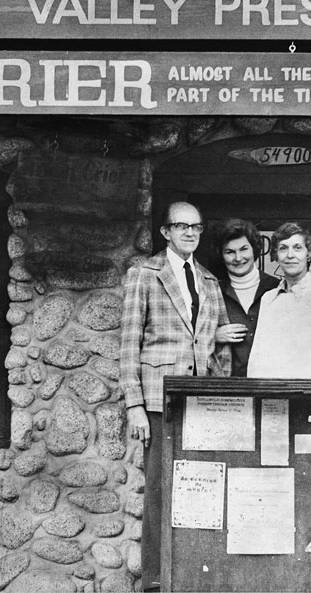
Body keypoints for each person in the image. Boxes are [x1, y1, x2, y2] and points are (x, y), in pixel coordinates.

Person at [119, 201, 230, 591]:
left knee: (202, 485)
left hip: (201, 399)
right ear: (165, 232)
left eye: (196, 227)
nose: (189, 234)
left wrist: (220, 392)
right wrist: (134, 405)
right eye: (181, 227)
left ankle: (193, 577)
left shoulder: (208, 281)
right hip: (157, 400)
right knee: (159, 492)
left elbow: (217, 346)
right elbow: (129, 343)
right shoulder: (144, 274)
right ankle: (154, 582)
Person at [247, 222, 311, 378]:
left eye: (297, 248)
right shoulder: (268, 299)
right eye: (283, 248)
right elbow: (258, 354)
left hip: (307, 394)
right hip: (269, 394)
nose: (290, 255)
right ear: (276, 255)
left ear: (308, 253)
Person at [212, 218, 280, 376]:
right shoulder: (213, 292)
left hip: (271, 383)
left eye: (243, 249)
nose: (238, 258)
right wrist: (213, 336)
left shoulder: (277, 288)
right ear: (221, 255)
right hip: (228, 387)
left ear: (254, 249)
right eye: (230, 252)